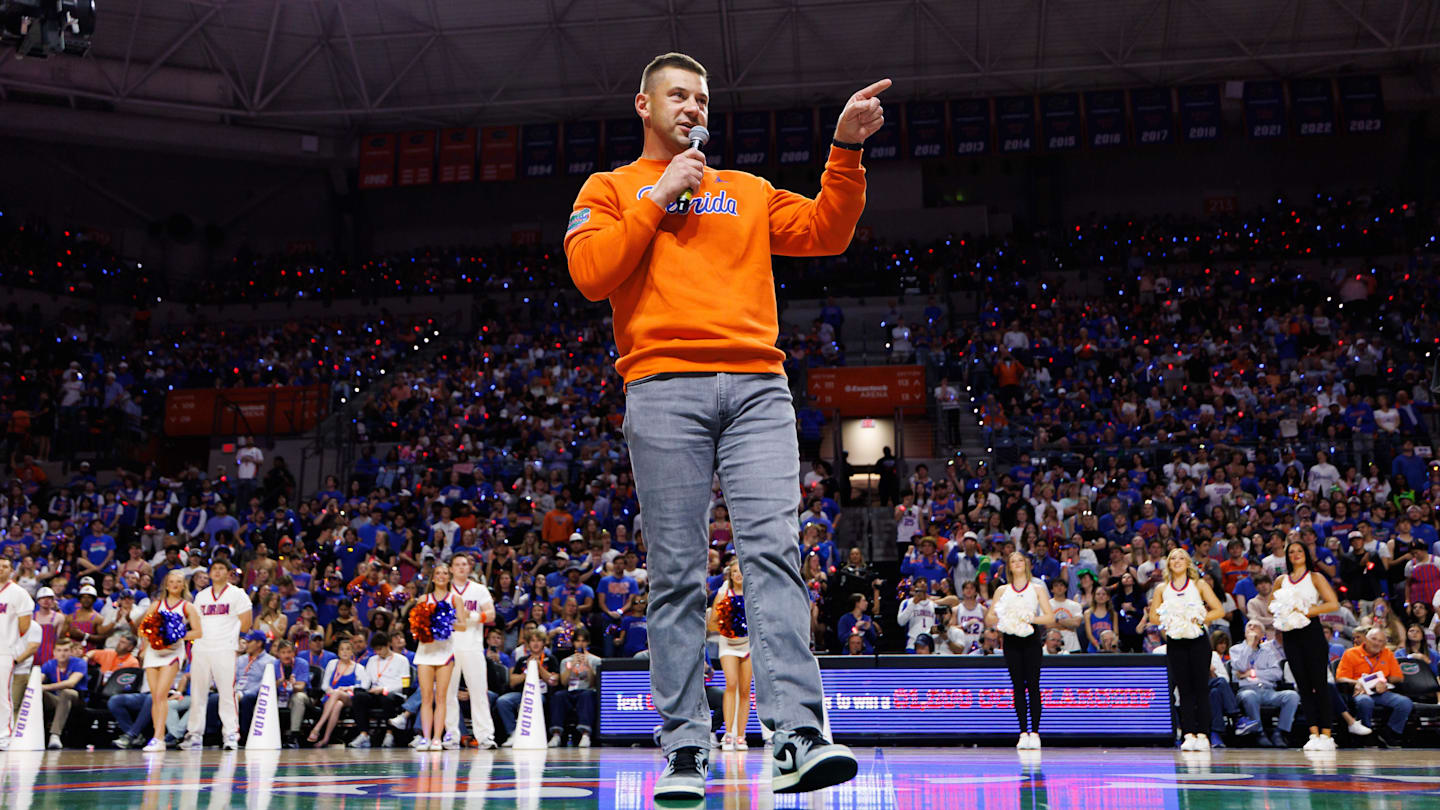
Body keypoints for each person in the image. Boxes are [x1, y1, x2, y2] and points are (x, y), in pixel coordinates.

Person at [565, 51, 887, 800]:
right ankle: (683, 748)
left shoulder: (745, 190)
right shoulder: (609, 188)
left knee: (773, 552)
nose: (692, 107)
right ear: (643, 106)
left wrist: (845, 151)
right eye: (677, 95)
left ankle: (798, 735)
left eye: (701, 98)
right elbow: (591, 275)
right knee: (676, 573)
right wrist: (657, 198)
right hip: (659, 386)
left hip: (755, 388)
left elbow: (827, 231)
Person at [1147, 548, 1225, 751]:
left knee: (1201, 688)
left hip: (1198, 640)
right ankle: (1189, 733)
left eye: (1181, 557)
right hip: (1175, 641)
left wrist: (1196, 617)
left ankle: (1204, 734)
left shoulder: (1198, 585)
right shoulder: (1162, 589)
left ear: (1188, 562)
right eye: (1173, 558)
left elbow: (1219, 609)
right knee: (1184, 689)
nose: (1177, 561)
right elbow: (1154, 617)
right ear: (1168, 564)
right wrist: (1171, 618)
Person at [985, 552, 1056, 749]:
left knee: (1033, 684)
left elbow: (1050, 618)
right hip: (1011, 640)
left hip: (1031, 639)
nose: (1016, 563)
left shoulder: (1037, 588)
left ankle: (1035, 732)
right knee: (1017, 685)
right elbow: (989, 618)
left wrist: (1029, 618)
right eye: (1012, 561)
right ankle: (1022, 731)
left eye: (1020, 560)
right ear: (1008, 567)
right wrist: (1006, 616)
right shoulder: (1002, 590)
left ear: (1026, 564)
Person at [1276, 541, 1342, 751]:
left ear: (1306, 554)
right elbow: (1272, 605)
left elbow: (1333, 603)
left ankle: (1327, 734)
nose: (1295, 555)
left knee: (1319, 684)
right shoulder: (1281, 580)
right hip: (1290, 634)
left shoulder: (1315, 577)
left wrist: (1305, 609)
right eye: (1291, 552)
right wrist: (1284, 609)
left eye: (1299, 551)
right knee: (1303, 685)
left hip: (1311, 631)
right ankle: (1313, 734)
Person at [184, 561, 252, 750]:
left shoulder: (237, 593)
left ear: (229, 573)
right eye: (214, 569)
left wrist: (238, 639)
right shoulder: (201, 596)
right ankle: (194, 734)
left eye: (222, 568)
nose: (217, 572)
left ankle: (230, 734)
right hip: (201, 648)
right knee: (198, 693)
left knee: (226, 693)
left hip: (225, 648)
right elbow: (195, 622)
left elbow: (246, 620)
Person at [138, 571, 201, 752]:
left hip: (173, 652)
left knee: (161, 695)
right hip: (154, 652)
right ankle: (157, 737)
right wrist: (151, 640)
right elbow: (142, 629)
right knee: (154, 696)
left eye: (178, 582)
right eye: (171, 581)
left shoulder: (187, 607)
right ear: (166, 585)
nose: (174, 585)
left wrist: (176, 635)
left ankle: (159, 738)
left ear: (183, 586)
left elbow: (198, 632)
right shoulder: (156, 605)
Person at [443, 553, 496, 749]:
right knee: (448, 693)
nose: (461, 568)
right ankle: (451, 735)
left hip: (473, 646)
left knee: (479, 692)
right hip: (448, 647)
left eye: (464, 564)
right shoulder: (444, 591)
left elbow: (491, 614)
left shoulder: (479, 589)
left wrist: (471, 616)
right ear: (451, 569)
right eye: (457, 565)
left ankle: (485, 736)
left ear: (469, 567)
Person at [412, 560, 465, 751]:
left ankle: (437, 738)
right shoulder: (423, 599)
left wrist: (445, 622)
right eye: (438, 573)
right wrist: (426, 625)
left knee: (441, 697)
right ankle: (425, 738)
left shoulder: (455, 599)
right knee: (426, 697)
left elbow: (463, 625)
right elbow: (415, 627)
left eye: (445, 573)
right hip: (426, 651)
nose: (442, 576)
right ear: (433, 578)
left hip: (445, 653)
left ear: (449, 577)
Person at [1336, 627, 1413, 748]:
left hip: (1381, 692)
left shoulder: (1387, 653)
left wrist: (1384, 681)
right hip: (1359, 691)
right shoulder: (1351, 653)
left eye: (1381, 641)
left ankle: (1389, 733)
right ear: (1365, 639)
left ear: (1384, 644)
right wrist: (1356, 683)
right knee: (1365, 702)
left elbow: (1398, 677)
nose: (1377, 643)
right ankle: (1366, 735)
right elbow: (1340, 678)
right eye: (1374, 639)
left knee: (1405, 703)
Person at [1228, 621, 1299, 748]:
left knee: (1292, 695)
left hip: (1268, 691)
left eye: (1256, 626)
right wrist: (1249, 646)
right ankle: (1259, 733)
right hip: (1246, 690)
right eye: (1248, 626)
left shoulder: (1269, 652)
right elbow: (1240, 666)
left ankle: (1280, 733)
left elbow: (1277, 673)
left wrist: (1251, 672)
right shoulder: (1235, 649)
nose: (1251, 627)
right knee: (1250, 695)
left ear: (1262, 634)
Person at [708, 559, 751, 750]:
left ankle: (741, 736)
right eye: (734, 571)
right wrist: (728, 627)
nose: (738, 574)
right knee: (731, 683)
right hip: (728, 644)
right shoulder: (724, 592)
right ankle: (728, 734)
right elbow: (711, 623)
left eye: (740, 571)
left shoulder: (753, 593)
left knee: (744, 690)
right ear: (730, 574)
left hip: (748, 645)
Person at [0, 558, 35, 751]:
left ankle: (3, 737)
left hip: (4, 651)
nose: (1, 570)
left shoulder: (18, 593)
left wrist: (10, 642)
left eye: (5, 567)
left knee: (2, 695)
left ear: (12, 571)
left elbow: (24, 626)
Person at [310, 637, 370, 747]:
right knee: (337, 704)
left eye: (348, 649)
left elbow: (365, 685)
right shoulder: (332, 664)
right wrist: (329, 690)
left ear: (352, 652)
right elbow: (324, 684)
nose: (345, 652)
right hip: (332, 695)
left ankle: (317, 727)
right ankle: (326, 738)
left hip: (349, 697)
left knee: (337, 694)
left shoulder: (358, 667)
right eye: (342, 649)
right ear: (338, 652)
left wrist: (349, 688)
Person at [351, 632, 406, 749]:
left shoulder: (401, 660)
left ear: (388, 645)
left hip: (393, 693)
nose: (378, 652)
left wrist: (384, 689)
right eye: (376, 650)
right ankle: (364, 734)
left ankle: (389, 734)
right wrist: (364, 689)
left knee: (387, 697)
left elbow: (404, 684)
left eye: (380, 649)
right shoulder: (372, 660)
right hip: (375, 693)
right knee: (359, 697)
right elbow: (366, 680)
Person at [550, 627, 601, 747]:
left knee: (586, 695)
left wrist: (587, 666)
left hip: (587, 691)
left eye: (583, 641)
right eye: (578, 641)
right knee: (558, 696)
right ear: (573, 643)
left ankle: (585, 735)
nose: (580, 644)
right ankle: (556, 735)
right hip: (571, 691)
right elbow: (563, 682)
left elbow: (593, 683)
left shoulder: (596, 660)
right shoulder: (566, 661)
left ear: (587, 643)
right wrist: (571, 666)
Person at [40, 640, 87, 749]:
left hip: (77, 698)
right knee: (37, 694)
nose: (62, 653)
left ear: (71, 652)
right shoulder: (49, 664)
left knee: (66, 692)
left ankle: (55, 735)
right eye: (59, 650)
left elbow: (71, 683)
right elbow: (38, 681)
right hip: (56, 699)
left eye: (66, 650)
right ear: (54, 652)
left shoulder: (79, 663)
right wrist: (38, 688)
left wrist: (45, 687)